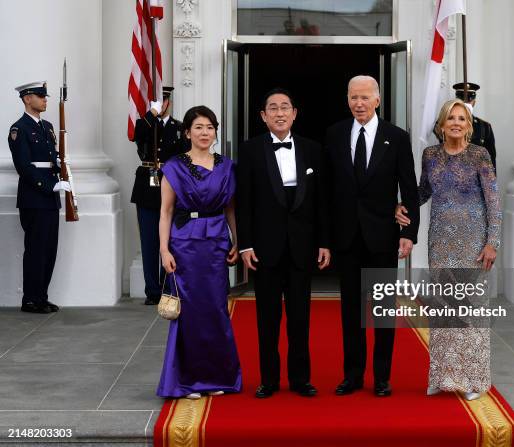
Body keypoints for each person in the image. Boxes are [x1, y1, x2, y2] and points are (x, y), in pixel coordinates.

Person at [324, 75, 419, 397]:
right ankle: (352, 375)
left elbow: (409, 187)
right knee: (351, 311)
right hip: (347, 237)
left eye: (365, 97)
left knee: (381, 310)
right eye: (353, 97)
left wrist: (409, 232)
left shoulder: (397, 137)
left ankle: (382, 377)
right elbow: (329, 189)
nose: (359, 103)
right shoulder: (335, 134)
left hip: (383, 236)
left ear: (377, 100)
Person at [236, 88, 331, 399]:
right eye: (272, 108)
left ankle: (301, 380)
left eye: (285, 107)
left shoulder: (313, 149)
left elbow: (321, 203)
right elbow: (244, 202)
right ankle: (269, 380)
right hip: (265, 248)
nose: (279, 113)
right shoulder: (250, 151)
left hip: (303, 248)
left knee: (301, 318)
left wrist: (324, 242)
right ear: (263, 116)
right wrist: (246, 244)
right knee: (267, 318)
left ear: (294, 113)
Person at [417, 99, 501, 401]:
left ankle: (472, 379)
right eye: (450, 118)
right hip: (440, 243)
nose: (455, 123)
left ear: (469, 125)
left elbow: (493, 201)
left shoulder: (480, 155)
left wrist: (493, 242)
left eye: (462, 119)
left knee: (471, 310)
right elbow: (423, 192)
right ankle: (442, 376)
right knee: (441, 309)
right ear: (441, 124)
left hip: (473, 245)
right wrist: (402, 208)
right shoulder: (430, 155)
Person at [157, 105, 241, 399]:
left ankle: (218, 376)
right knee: (189, 313)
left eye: (209, 127)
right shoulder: (174, 166)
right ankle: (186, 381)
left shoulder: (228, 166)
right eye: (198, 127)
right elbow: (165, 212)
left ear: (215, 132)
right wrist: (164, 250)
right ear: (187, 132)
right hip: (184, 245)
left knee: (216, 310)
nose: (204, 133)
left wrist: (237, 242)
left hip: (216, 241)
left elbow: (230, 208)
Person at [8, 81, 71, 314]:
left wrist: (59, 163)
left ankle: (42, 296)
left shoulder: (48, 127)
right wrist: (51, 185)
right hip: (34, 196)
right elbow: (24, 166)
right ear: (27, 99)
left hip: (49, 196)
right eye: (40, 96)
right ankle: (31, 299)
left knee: (49, 249)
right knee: (35, 249)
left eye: (45, 97)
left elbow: (52, 155)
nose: (45, 100)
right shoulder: (19, 129)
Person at [131, 86, 188, 305]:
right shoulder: (145, 124)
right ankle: (152, 291)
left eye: (163, 101)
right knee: (149, 241)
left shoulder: (180, 127)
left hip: (172, 185)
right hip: (147, 186)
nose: (161, 105)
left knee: (171, 240)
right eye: (156, 102)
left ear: (169, 102)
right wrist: (151, 115)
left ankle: (167, 287)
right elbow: (137, 136)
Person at [452, 82, 497, 172]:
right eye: (461, 100)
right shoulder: (446, 124)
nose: (465, 103)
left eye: (469, 100)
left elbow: (490, 162)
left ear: (474, 103)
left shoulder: (484, 127)